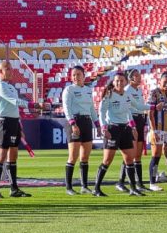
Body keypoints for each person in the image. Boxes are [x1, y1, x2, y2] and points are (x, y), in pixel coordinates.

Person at [92, 72, 143, 197]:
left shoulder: (127, 95)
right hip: (113, 130)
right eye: (117, 81)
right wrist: (104, 128)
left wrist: (153, 107)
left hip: (125, 129)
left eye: (121, 80)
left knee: (129, 159)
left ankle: (133, 189)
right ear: (113, 82)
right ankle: (96, 189)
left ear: (126, 82)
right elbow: (102, 112)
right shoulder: (109, 95)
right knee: (107, 160)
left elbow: (137, 107)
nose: (119, 83)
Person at [0, 59, 30, 198]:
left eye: (10, 68)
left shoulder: (11, 87)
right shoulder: (0, 86)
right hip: (4, 122)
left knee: (13, 155)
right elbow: (15, 101)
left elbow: (15, 109)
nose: (10, 70)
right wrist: (32, 105)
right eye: (7, 68)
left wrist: (20, 127)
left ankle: (14, 189)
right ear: (0, 71)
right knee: (1, 155)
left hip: (14, 122)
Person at [61, 65, 97, 195]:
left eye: (78, 74)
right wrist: (72, 124)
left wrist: (97, 124)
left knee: (85, 157)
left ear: (84, 76)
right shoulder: (68, 90)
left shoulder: (88, 90)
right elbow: (66, 107)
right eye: (73, 75)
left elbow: (92, 108)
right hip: (74, 122)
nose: (76, 77)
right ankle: (69, 188)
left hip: (87, 122)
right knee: (73, 156)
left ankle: (84, 186)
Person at [125, 71, 150, 191]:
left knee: (138, 154)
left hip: (140, 119)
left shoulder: (139, 90)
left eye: (140, 76)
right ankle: (122, 181)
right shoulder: (127, 90)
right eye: (136, 76)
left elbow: (141, 106)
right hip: (132, 120)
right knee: (131, 154)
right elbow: (128, 108)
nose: (139, 78)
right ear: (130, 78)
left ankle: (140, 183)